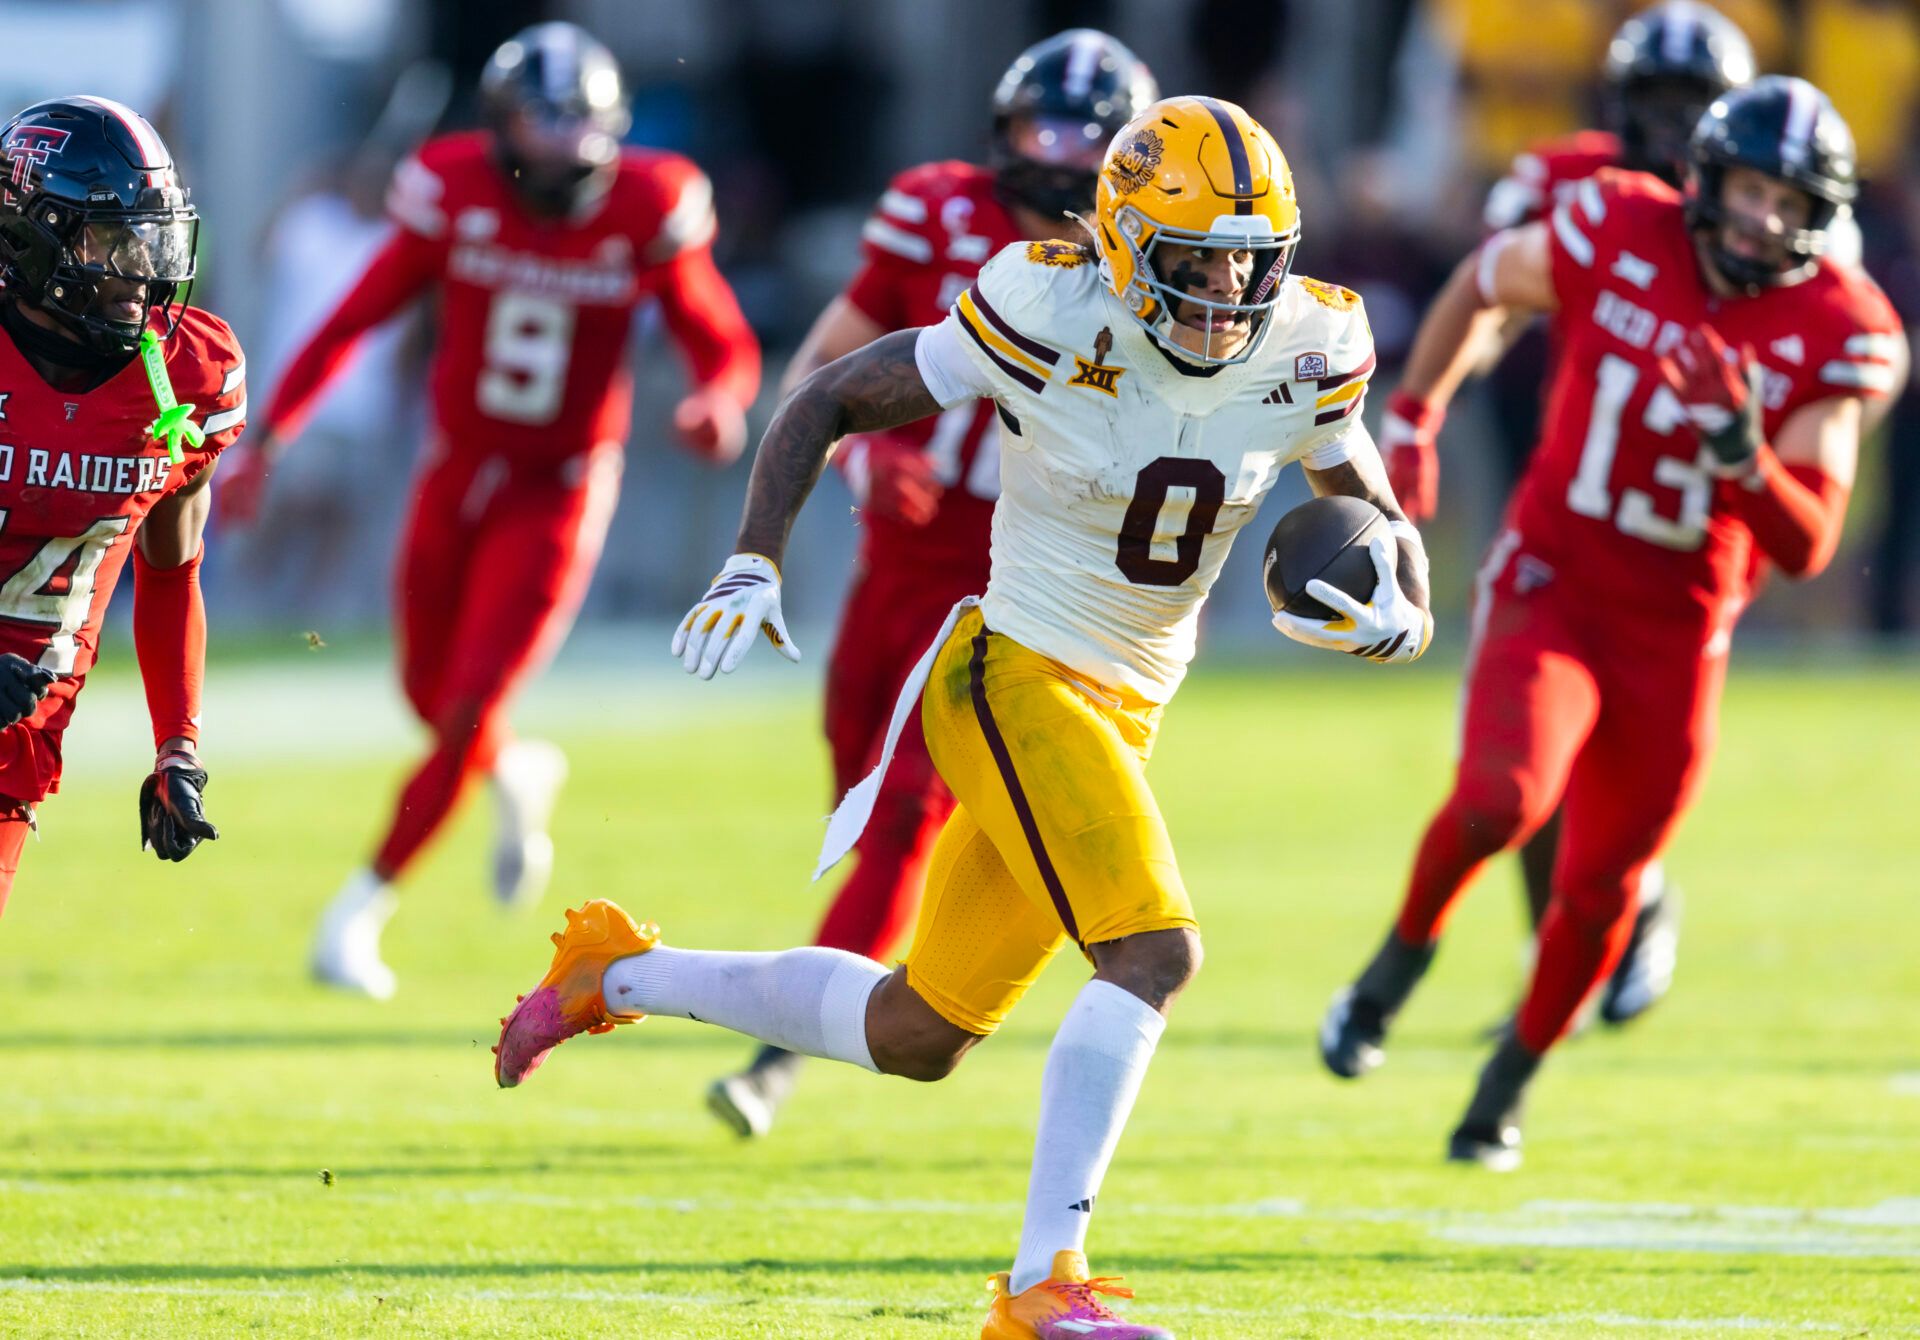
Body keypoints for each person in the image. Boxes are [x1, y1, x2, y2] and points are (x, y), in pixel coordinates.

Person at [495, 96, 1432, 1339]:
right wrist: (755, 557)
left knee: (918, 1029)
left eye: (1248, 264)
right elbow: (828, 397)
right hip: (1012, 675)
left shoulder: (1311, 340)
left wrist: (1402, 596)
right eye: (1194, 262)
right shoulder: (1047, 308)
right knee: (1153, 952)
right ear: (1122, 244)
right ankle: (1046, 1283)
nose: (1225, 293)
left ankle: (613, 972)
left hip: (1122, 710)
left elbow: (1362, 493)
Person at [1321, 78, 1905, 1169]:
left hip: (1678, 633)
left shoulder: (1842, 324)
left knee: (1601, 892)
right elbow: (1483, 281)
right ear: (1708, 180)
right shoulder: (1617, 221)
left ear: (1819, 217)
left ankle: (1505, 1085)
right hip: (1557, 576)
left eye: (1788, 203)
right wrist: (1415, 415)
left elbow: (1809, 540)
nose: (1760, 219)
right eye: (1748, 190)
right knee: (1502, 797)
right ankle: (1393, 967)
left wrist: (1741, 450)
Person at [222, 22, 761, 999]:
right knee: (426, 692)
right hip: (455, 468)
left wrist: (718, 397)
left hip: (561, 487)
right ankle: (515, 773)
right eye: (541, 122)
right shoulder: (452, 185)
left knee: (469, 704)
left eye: (577, 122)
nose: (559, 145)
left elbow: (718, 335)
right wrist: (267, 440)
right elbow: (355, 316)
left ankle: (359, 909)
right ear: (502, 125)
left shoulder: (648, 201)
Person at [706, 28, 1159, 1141]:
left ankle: (775, 1061)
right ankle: (818, 987)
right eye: (1040, 127)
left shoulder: (1149, 262)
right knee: (858, 797)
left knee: (907, 811)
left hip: (1012, 580)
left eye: (1084, 134)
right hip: (894, 562)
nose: (1056, 153)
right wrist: (869, 461)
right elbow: (829, 366)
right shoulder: (934, 206)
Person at [1388, 0, 1756, 1030]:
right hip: (1568, 473)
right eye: (1659, 101)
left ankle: (1631, 897)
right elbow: (1494, 295)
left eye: (1696, 104)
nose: (1675, 126)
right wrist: (1431, 403)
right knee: (1526, 741)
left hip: (1695, 513)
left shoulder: (1764, 209)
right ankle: (1566, 944)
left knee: (1622, 748)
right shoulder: (1574, 184)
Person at [0, 96, 243, 910]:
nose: (141, 271)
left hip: (15, 748)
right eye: (112, 241)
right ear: (33, 236)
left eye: (151, 239)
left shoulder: (188, 378)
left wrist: (178, 745)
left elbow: (171, 573)